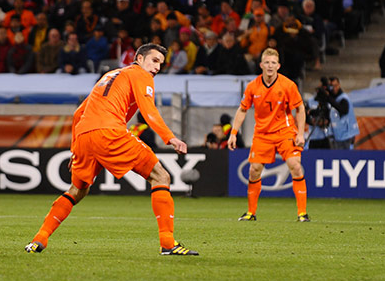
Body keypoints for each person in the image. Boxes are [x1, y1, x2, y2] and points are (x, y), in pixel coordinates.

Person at [25, 43, 198, 255]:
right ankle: (168, 243)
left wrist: (74, 149)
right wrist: (170, 138)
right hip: (109, 132)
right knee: (161, 177)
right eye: (154, 60)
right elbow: (149, 110)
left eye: (161, 64)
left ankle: (39, 239)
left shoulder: (110, 75)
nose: (157, 68)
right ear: (139, 58)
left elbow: (79, 113)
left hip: (84, 137)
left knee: (77, 190)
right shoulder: (140, 75)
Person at [227, 48, 309, 222]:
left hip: (285, 131)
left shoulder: (288, 85)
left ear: (278, 66)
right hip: (262, 134)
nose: (270, 66)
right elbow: (242, 110)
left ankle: (302, 213)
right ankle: (251, 213)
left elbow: (300, 108)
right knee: (254, 171)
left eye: (273, 63)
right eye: (267, 63)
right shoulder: (252, 87)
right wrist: (233, 133)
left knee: (295, 165)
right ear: (261, 65)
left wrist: (300, 134)